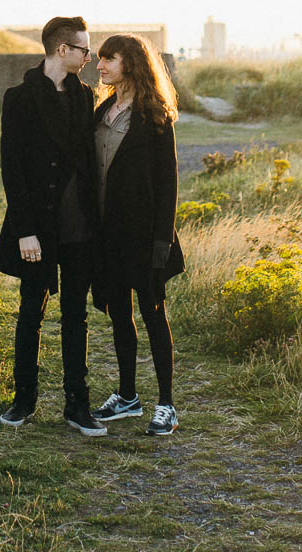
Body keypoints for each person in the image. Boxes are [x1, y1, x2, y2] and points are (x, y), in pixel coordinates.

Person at [0, 15, 107, 436]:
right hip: (36, 226)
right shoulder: (18, 98)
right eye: (84, 49)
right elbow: (12, 168)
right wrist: (24, 230)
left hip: (79, 227)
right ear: (63, 50)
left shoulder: (85, 96)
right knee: (30, 313)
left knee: (76, 316)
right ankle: (24, 402)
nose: (89, 56)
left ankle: (78, 405)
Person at [90, 32, 186, 435]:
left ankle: (166, 404)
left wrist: (162, 242)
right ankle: (127, 397)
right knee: (118, 315)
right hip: (106, 234)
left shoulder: (155, 116)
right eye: (99, 59)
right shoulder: (103, 110)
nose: (100, 66)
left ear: (129, 62)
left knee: (153, 315)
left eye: (107, 59)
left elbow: (169, 186)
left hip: (145, 236)